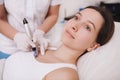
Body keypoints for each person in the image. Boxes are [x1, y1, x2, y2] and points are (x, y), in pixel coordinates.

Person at [2, 6, 114, 80]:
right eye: (76, 18)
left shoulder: (65, 75)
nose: (75, 26)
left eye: (87, 27)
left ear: (93, 46)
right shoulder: (44, 47)